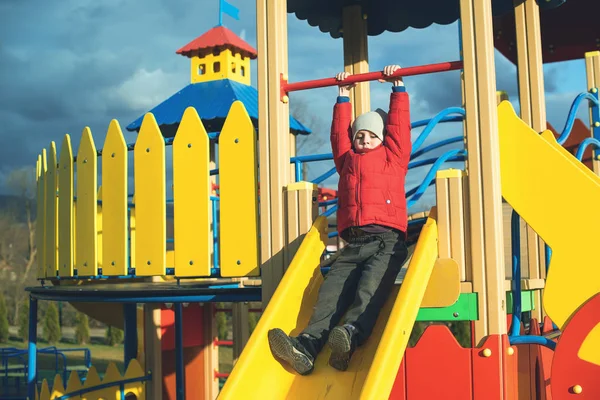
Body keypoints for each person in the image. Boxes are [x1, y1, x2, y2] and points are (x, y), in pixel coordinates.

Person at [268, 65, 411, 374]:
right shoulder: (346, 161)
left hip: (386, 241)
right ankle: (306, 345)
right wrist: (342, 96)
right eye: (359, 134)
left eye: (371, 134)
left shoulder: (393, 156)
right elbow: (338, 135)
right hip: (354, 242)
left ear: (382, 138)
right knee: (330, 291)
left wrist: (398, 88)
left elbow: (399, 128)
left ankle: (349, 334)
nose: (364, 139)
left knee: (368, 291)